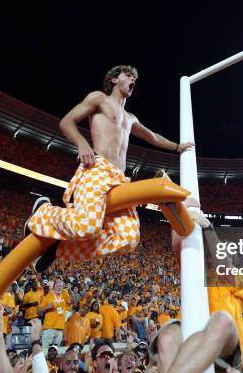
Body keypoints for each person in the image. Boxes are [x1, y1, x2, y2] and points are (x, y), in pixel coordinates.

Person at [25, 65, 193, 268]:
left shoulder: (131, 118)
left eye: (135, 78)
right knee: (87, 226)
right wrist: (83, 144)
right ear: (114, 79)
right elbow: (66, 121)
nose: (133, 80)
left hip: (120, 179)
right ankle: (43, 212)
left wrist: (177, 147)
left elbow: (152, 137)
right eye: (128, 75)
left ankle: (58, 250)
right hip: (98, 169)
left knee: (128, 238)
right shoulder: (99, 99)